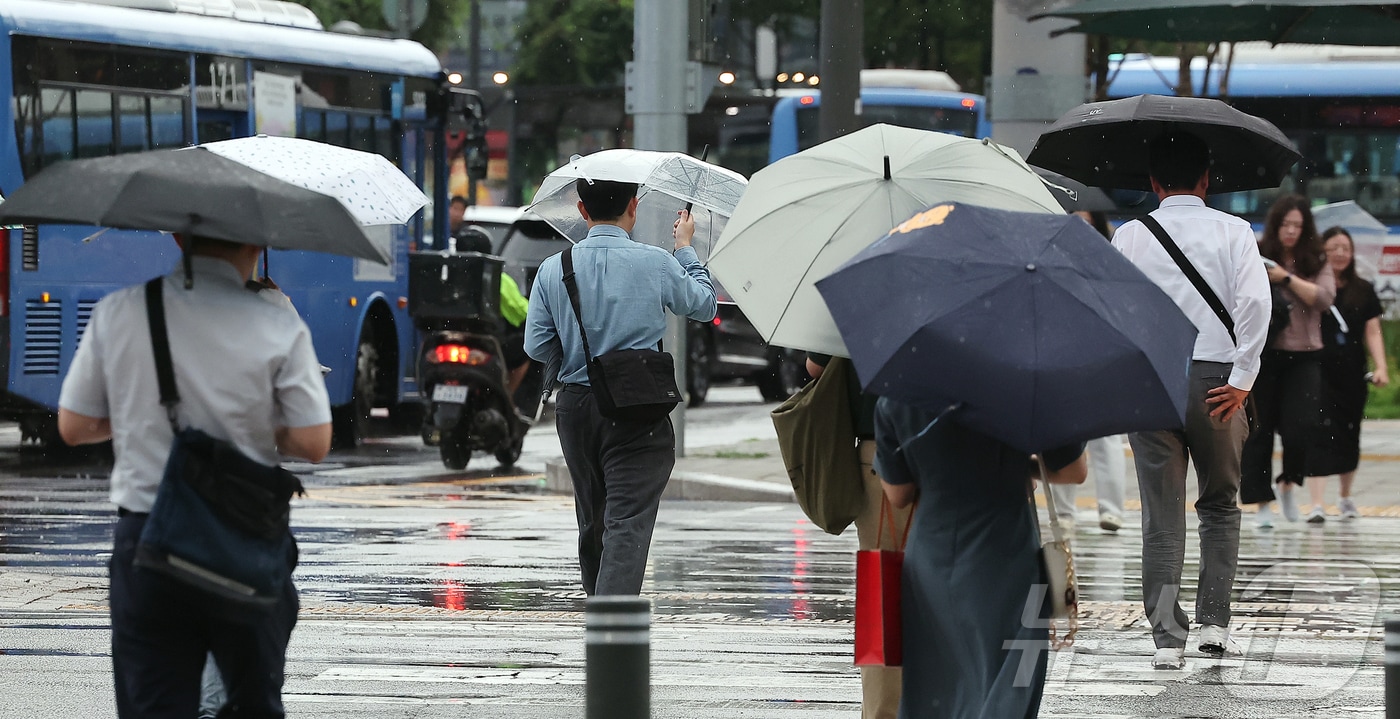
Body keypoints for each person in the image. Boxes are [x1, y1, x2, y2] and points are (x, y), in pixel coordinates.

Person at [56, 235, 333, 718]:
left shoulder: (121, 311)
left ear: (181, 237)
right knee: (249, 704)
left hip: (148, 542)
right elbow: (312, 441)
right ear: (255, 242)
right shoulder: (275, 318)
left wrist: (145, 416)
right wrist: (248, 420)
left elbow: (74, 426)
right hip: (241, 538)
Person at [1110, 131, 1271, 669]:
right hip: (1218, 382)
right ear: (1207, 181)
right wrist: (1244, 375)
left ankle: (1165, 639)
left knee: (1161, 512)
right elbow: (1254, 301)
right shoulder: (1234, 230)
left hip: (1153, 379)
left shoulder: (1131, 234)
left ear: (1154, 184)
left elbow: (1115, 310)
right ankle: (1214, 625)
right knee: (1221, 504)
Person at [523, 179, 717, 595]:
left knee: (593, 519)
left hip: (576, 408)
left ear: (580, 209)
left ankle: (601, 622)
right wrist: (684, 247)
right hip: (637, 406)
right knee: (626, 522)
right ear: (634, 207)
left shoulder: (555, 267)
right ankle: (611, 636)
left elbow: (536, 345)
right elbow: (704, 304)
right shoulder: (656, 262)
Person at [873, 397, 1086, 719]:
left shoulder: (898, 396)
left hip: (932, 558)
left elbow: (898, 494)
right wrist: (1018, 466)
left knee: (934, 685)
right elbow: (1073, 471)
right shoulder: (1025, 389)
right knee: (1018, 674)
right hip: (1009, 557)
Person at [806, 353, 912, 719]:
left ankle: (882, 710)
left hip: (879, 448)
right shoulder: (963, 298)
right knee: (950, 590)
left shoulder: (856, 298)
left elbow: (816, 367)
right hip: (956, 446)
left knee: (882, 588)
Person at [1241, 195, 1336, 528]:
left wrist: (1284, 278)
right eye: (1286, 225)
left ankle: (1288, 484)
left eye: (1298, 225)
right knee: (1258, 429)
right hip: (1264, 353)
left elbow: (1324, 298)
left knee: (1301, 426)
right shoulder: (1257, 251)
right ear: (1275, 225)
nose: (1291, 231)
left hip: (1305, 355)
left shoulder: (1316, 259)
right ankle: (1262, 502)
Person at [1050, 210, 1128, 534]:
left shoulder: (1111, 265)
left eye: (1087, 221)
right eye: (1074, 220)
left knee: (1106, 437)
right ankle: (1063, 511)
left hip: (1102, 358)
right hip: (1061, 359)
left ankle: (1111, 510)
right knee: (1061, 433)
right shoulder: (1051, 261)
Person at [1306, 226, 1390, 521]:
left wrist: (1381, 366)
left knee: (1349, 433)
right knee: (1318, 432)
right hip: (1317, 368)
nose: (1340, 253)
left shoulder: (1363, 289)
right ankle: (1316, 503)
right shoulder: (1313, 286)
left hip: (1352, 372)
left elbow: (1373, 331)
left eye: (1345, 248)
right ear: (1322, 251)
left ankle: (1345, 497)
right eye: (1333, 248)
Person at [455, 224, 532, 396]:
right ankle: (508, 397)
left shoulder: (447, 276)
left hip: (451, 339)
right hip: (487, 344)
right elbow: (521, 313)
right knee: (525, 350)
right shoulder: (498, 280)